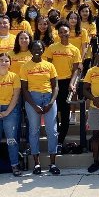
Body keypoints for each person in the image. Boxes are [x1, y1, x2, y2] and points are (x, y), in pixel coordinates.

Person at [21, 41, 59, 175]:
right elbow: (24, 90)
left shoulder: (50, 65)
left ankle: (52, 163)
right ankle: (37, 164)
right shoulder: (25, 67)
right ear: (30, 50)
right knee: (33, 131)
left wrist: (51, 102)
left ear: (43, 50)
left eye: (40, 48)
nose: (37, 50)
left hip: (49, 98)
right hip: (33, 98)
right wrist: (34, 105)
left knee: (52, 131)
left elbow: (55, 86)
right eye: (34, 48)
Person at [43, 21, 81, 153]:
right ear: (58, 34)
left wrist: (72, 83)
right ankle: (54, 141)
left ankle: (59, 142)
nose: (63, 34)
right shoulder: (52, 48)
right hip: (54, 84)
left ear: (69, 32)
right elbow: (47, 67)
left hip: (66, 84)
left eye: (66, 32)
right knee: (53, 115)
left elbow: (76, 70)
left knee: (64, 116)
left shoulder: (75, 50)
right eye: (61, 32)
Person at [0, 53, 22, 176]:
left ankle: (14, 165)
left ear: (10, 64)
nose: (3, 62)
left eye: (6, 61)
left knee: (11, 140)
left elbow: (16, 96)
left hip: (10, 110)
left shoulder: (14, 76)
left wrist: (7, 112)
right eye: (1, 60)